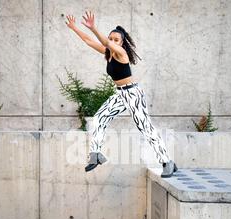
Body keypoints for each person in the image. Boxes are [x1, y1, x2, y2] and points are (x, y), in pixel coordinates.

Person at [65, 11, 177, 177]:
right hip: (120, 95)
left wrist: (94, 28)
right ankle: (96, 155)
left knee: (145, 128)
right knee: (99, 118)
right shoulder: (108, 53)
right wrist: (74, 28)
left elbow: (103, 41)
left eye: (115, 40)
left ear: (122, 44)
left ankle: (167, 162)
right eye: (110, 39)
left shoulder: (121, 54)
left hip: (133, 94)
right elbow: (88, 41)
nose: (111, 42)